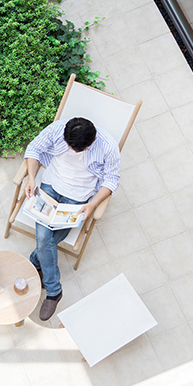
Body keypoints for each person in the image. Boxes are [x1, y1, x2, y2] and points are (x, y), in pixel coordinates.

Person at [23, 117, 120, 320]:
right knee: (44, 238)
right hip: (50, 187)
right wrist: (32, 177)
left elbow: (111, 179)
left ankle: (35, 261)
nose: (72, 150)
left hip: (77, 198)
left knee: (44, 239)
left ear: (92, 141)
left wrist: (92, 204)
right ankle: (53, 290)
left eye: (78, 149)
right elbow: (34, 149)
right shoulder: (59, 129)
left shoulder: (108, 147)